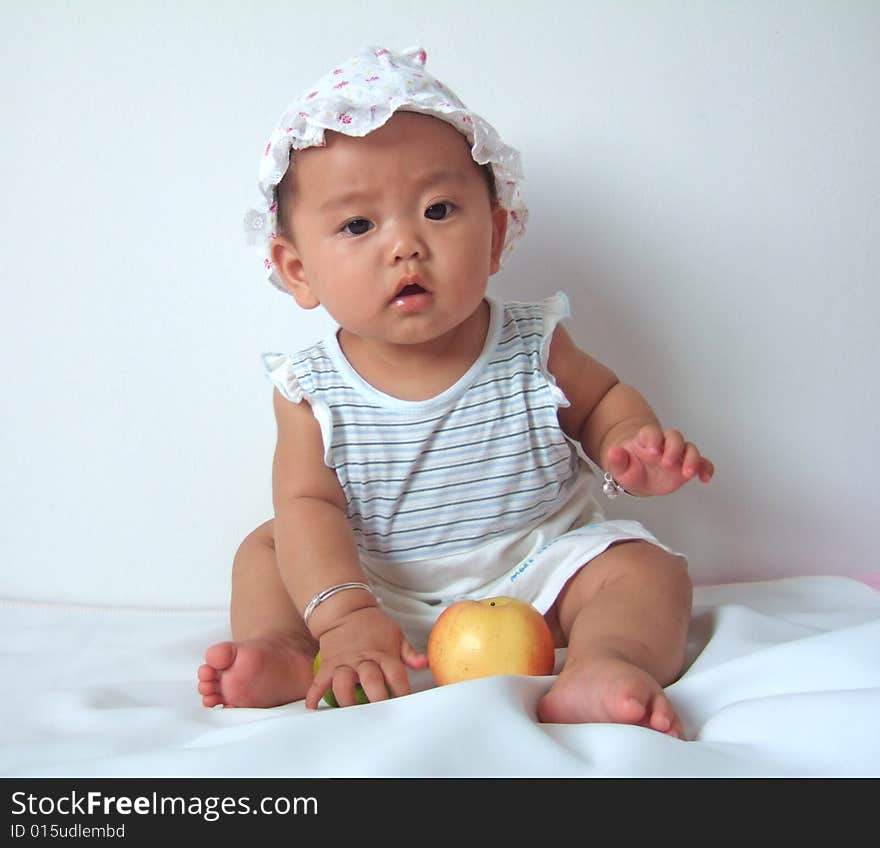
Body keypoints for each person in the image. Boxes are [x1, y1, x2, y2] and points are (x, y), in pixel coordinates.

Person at [197, 46, 713, 737]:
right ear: (297, 270)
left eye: (439, 209)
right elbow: (308, 504)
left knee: (647, 570)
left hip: (538, 567)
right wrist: (346, 614)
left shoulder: (533, 342)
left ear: (497, 234)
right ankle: (295, 650)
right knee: (268, 548)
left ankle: (606, 660)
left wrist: (629, 443)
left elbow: (601, 402)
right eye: (358, 225)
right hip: (374, 588)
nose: (406, 245)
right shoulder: (310, 391)